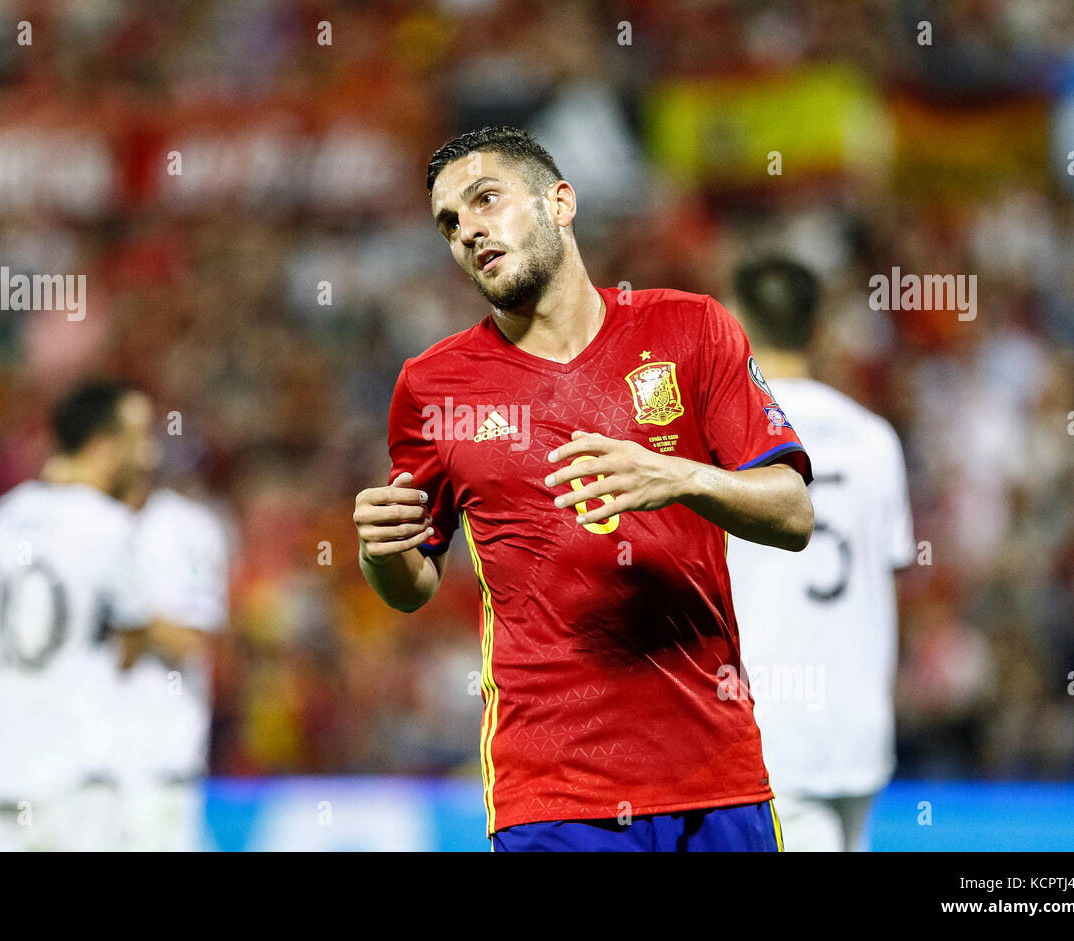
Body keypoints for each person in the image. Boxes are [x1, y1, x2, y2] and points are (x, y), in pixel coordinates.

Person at [353, 126, 814, 852]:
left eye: (486, 200)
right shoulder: (431, 387)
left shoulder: (691, 329)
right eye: (450, 222)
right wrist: (380, 552)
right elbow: (411, 583)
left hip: (716, 774)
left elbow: (793, 512)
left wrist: (678, 476)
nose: (468, 230)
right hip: (554, 792)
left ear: (559, 201)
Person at [727, 257, 915, 852]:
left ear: (736, 325)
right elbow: (891, 568)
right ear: (816, 328)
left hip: (773, 725)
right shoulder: (875, 436)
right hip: (860, 718)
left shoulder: (728, 433)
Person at [0, 380, 157, 851]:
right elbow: (130, 650)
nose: (146, 458)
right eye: (135, 444)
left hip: (1, 776)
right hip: (80, 783)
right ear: (101, 446)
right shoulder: (111, 527)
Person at [112, 482, 230, 852]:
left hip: (160, 759)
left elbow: (191, 641)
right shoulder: (75, 524)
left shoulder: (187, 526)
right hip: (81, 762)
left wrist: (125, 613)